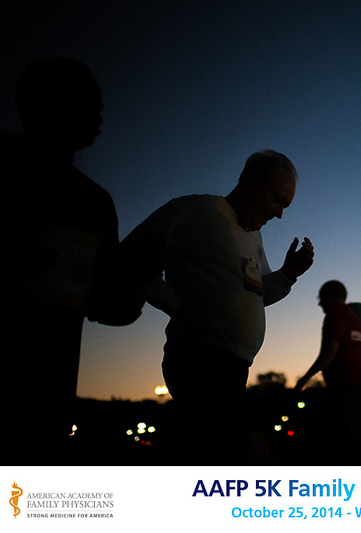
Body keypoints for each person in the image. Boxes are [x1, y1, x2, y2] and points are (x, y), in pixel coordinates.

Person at [121, 149, 314, 464]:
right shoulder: (194, 212)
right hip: (200, 363)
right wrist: (178, 307)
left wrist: (288, 273)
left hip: (233, 371)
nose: (280, 214)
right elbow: (131, 260)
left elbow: (258, 294)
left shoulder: (254, 236)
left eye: (285, 206)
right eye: (277, 199)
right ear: (251, 183)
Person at [3, 57, 140, 464]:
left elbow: (110, 304)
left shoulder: (97, 203)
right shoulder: (91, 202)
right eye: (88, 97)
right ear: (41, 101)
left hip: (45, 412)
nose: (100, 109)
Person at [295, 280, 361, 464]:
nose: (320, 303)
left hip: (347, 385)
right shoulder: (354, 317)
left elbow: (329, 352)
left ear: (330, 295)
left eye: (321, 298)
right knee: (357, 440)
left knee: (343, 444)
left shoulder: (335, 314)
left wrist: (305, 379)